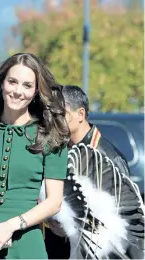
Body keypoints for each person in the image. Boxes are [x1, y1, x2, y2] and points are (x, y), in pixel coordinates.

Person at [0, 53, 70, 259]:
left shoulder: (49, 134)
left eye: (27, 85)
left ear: (36, 91)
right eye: (13, 82)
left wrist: (10, 226)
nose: (18, 91)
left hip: (27, 246)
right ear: (2, 83)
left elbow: (54, 201)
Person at [43, 85, 144, 259]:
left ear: (80, 115)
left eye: (61, 115)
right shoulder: (57, 150)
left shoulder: (108, 158)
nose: (54, 121)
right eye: (53, 115)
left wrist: (71, 227)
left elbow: (120, 224)